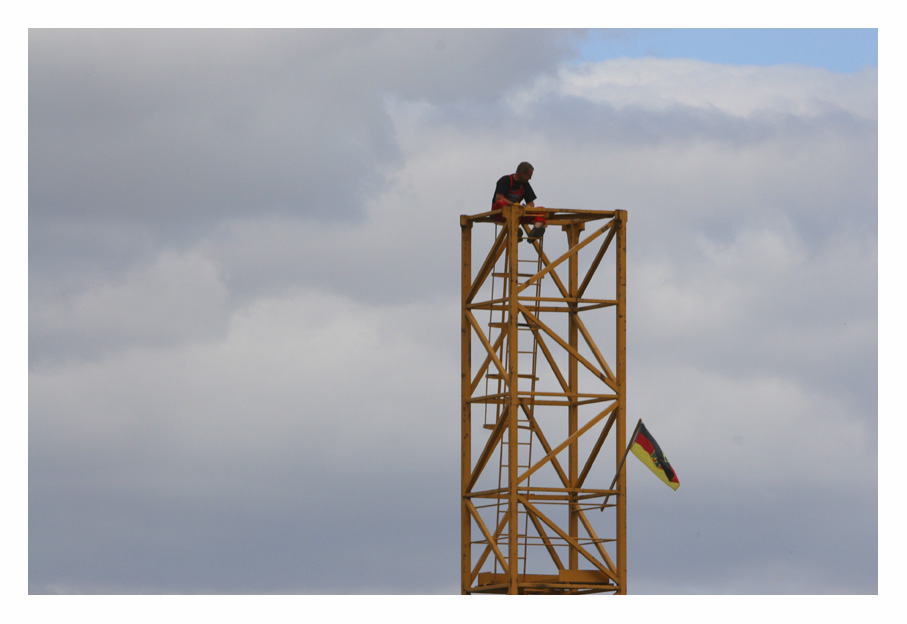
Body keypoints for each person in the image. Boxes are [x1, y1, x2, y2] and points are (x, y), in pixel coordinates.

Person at [491, 162, 546, 240]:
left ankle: (535, 231)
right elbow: (499, 198)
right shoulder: (505, 180)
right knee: (501, 203)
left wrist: (527, 208)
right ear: (521, 173)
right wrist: (514, 205)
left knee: (542, 210)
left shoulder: (525, 185)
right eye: (529, 176)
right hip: (500, 214)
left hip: (517, 214)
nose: (530, 178)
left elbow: (531, 203)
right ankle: (514, 229)